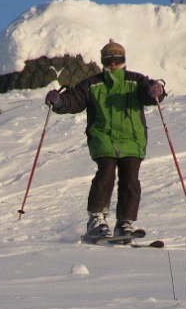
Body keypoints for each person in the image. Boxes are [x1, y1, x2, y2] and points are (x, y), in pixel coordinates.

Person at [45, 40, 165, 240]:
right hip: (103, 137)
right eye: (109, 60)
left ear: (123, 60)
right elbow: (75, 101)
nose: (113, 64)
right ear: (103, 61)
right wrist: (59, 101)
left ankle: (125, 222)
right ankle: (96, 219)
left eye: (117, 60)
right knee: (106, 174)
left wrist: (156, 91)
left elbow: (149, 94)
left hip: (132, 139)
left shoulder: (136, 81)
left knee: (131, 180)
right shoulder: (92, 84)